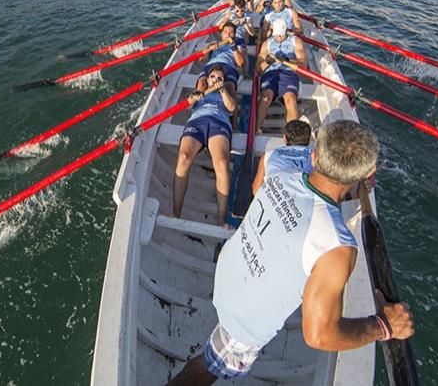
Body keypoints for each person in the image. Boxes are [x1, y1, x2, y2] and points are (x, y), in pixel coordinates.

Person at [168, 120, 415, 385]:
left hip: (227, 278)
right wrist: (383, 326)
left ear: (314, 155)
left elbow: (292, 195)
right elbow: (319, 335)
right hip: (242, 320)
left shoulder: (278, 168)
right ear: (367, 172)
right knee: (208, 367)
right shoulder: (337, 247)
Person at [173, 66, 238, 226]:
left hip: (219, 122)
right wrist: (193, 98)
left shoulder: (226, 93)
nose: (215, 79)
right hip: (197, 121)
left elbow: (231, 107)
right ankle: (176, 213)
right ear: (207, 80)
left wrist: (222, 90)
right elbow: (187, 105)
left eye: (219, 78)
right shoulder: (200, 93)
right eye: (213, 77)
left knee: (222, 163)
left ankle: (220, 221)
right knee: (183, 158)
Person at [255, 18, 306, 133]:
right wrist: (268, 61)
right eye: (276, 35)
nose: (278, 38)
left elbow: (303, 64)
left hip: (288, 73)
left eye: (280, 36)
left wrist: (287, 60)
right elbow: (257, 68)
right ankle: (255, 131)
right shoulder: (267, 43)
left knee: (291, 100)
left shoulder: (295, 41)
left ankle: (292, 137)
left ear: (286, 32)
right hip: (270, 74)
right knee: (265, 98)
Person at [252, 119, 313, 194]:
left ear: (284, 138)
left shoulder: (268, 155)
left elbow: (256, 190)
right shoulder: (316, 159)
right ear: (309, 140)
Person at [197, 22, 247, 99]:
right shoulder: (214, 43)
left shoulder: (238, 47)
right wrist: (209, 49)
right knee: (202, 83)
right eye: (225, 32)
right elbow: (201, 59)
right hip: (211, 65)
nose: (228, 35)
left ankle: (232, 110)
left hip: (228, 67)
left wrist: (233, 47)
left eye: (231, 33)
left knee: (230, 87)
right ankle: (197, 105)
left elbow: (241, 63)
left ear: (234, 34)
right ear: (221, 34)